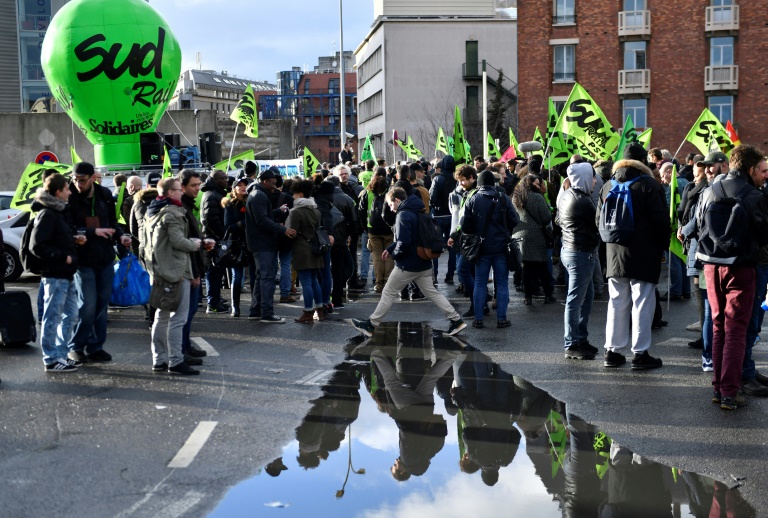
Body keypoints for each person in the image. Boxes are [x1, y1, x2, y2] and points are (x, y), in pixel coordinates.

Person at [695, 144, 768, 410]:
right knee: (736, 329)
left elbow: (699, 224)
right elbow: (763, 236)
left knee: (718, 326)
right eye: (762, 170)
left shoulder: (710, 189)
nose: (765, 175)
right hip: (741, 267)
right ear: (750, 169)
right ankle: (728, 392)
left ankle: (719, 388)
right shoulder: (754, 195)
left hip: (711, 266)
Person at [349, 188, 467, 337]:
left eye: (390, 204)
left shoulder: (403, 215)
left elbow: (403, 241)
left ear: (397, 201)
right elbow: (410, 237)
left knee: (388, 292)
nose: (391, 209)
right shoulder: (418, 211)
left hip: (408, 264)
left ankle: (371, 325)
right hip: (423, 262)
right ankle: (456, 320)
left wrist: (396, 255)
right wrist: (391, 248)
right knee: (432, 293)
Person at [598, 143, 669, 370]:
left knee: (616, 301)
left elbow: (598, 219)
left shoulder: (608, 184)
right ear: (643, 162)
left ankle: (612, 351)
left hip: (614, 252)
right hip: (644, 252)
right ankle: (640, 353)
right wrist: (662, 247)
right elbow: (661, 221)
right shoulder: (649, 184)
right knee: (642, 301)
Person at [66, 162, 131, 364]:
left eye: (82, 180)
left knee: (102, 305)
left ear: (93, 178)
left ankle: (95, 346)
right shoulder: (69, 196)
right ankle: (75, 347)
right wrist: (93, 232)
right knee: (87, 305)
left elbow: (112, 223)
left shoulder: (103, 194)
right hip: (83, 259)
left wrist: (121, 236)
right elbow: (67, 228)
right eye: (75, 180)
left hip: (104, 257)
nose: (78, 184)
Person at [145, 177, 201, 375]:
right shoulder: (172, 213)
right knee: (178, 318)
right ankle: (176, 360)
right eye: (178, 189)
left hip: (159, 270)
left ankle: (159, 359)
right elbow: (178, 241)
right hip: (176, 271)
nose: (181, 192)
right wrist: (195, 244)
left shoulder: (152, 210)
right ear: (170, 193)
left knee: (161, 317)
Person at [30, 173, 83, 372]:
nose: (71, 191)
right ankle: (51, 359)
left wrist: (73, 241)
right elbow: (37, 246)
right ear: (58, 192)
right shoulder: (48, 213)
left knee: (71, 315)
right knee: (53, 317)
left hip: (66, 273)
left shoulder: (57, 211)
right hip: (54, 275)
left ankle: (61, 354)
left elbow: (55, 239)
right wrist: (63, 256)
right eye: (67, 188)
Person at [461, 170, 519, 329]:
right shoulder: (502, 197)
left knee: (480, 282)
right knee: (501, 283)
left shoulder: (472, 199)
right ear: (493, 183)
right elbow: (515, 220)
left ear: (478, 183)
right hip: (501, 246)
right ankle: (501, 318)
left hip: (481, 247)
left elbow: (465, 226)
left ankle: (478, 319)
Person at [556, 162, 600, 360]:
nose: (595, 181)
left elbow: (558, 220)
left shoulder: (566, 194)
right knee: (575, 300)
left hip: (572, 250)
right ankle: (571, 343)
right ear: (584, 178)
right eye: (592, 177)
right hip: (579, 252)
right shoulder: (582, 200)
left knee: (587, 296)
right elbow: (599, 222)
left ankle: (580, 338)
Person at [245, 168, 296, 323]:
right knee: (267, 277)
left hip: (260, 242)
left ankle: (256, 310)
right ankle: (266, 312)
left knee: (262, 277)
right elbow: (262, 220)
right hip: (263, 243)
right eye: (273, 184)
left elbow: (262, 216)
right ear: (265, 182)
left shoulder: (257, 194)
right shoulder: (259, 196)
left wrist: (276, 211)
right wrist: (283, 229)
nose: (275, 187)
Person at [177, 170, 207, 364]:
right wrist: (195, 273)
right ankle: (180, 350)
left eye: (198, 185)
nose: (198, 188)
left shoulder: (187, 206)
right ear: (182, 187)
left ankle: (185, 345)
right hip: (186, 269)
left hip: (194, 265)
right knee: (183, 314)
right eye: (194, 185)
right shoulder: (180, 210)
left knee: (190, 311)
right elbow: (185, 244)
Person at [285, 180, 325, 323]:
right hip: (315, 248)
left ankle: (308, 311)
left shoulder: (295, 212)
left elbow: (291, 232)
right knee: (314, 281)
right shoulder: (316, 210)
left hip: (302, 250)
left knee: (306, 283)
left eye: (294, 193)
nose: (293, 196)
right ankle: (320, 310)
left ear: (300, 194)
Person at [512, 174, 556, 305]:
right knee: (542, 267)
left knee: (526, 268)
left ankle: (528, 297)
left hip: (520, 237)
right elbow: (546, 217)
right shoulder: (537, 197)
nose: (538, 186)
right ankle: (548, 295)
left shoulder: (515, 198)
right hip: (537, 236)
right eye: (536, 184)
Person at [358, 168, 394, 293]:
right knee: (389, 256)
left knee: (377, 257)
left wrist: (365, 227)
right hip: (388, 228)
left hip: (372, 229)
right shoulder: (390, 191)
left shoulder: (367, 192)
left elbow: (361, 211)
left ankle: (379, 284)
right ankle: (388, 283)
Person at [222, 177, 254, 317]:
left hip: (251, 243)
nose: (242, 187)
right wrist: (245, 222)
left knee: (254, 275)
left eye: (244, 185)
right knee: (237, 275)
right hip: (236, 244)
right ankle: (235, 306)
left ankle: (255, 305)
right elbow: (229, 227)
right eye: (239, 185)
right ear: (234, 189)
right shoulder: (230, 205)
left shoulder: (251, 202)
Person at [200, 169, 230, 313]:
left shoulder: (215, 194)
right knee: (213, 272)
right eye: (223, 178)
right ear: (215, 179)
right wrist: (223, 235)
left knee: (218, 272)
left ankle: (216, 300)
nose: (226, 180)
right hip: (213, 240)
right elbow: (210, 220)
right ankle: (212, 303)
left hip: (216, 239)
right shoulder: (212, 196)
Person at [429, 155, 458, 285]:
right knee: (452, 246)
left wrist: (435, 206)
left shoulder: (438, 179)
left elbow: (432, 198)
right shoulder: (456, 179)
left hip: (438, 216)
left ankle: (434, 275)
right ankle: (450, 275)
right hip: (453, 216)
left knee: (435, 246)